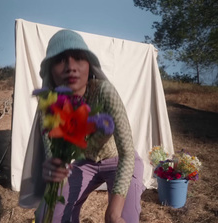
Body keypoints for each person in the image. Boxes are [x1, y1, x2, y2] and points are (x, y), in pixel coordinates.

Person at [24, 29, 145, 223]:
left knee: (123, 218)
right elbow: (54, 157)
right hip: (84, 162)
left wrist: (113, 213)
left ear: (90, 65)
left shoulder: (104, 91)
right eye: (60, 60)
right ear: (49, 70)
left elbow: (127, 153)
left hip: (118, 160)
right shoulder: (49, 105)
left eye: (79, 58)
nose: (71, 67)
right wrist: (54, 171)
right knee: (48, 215)